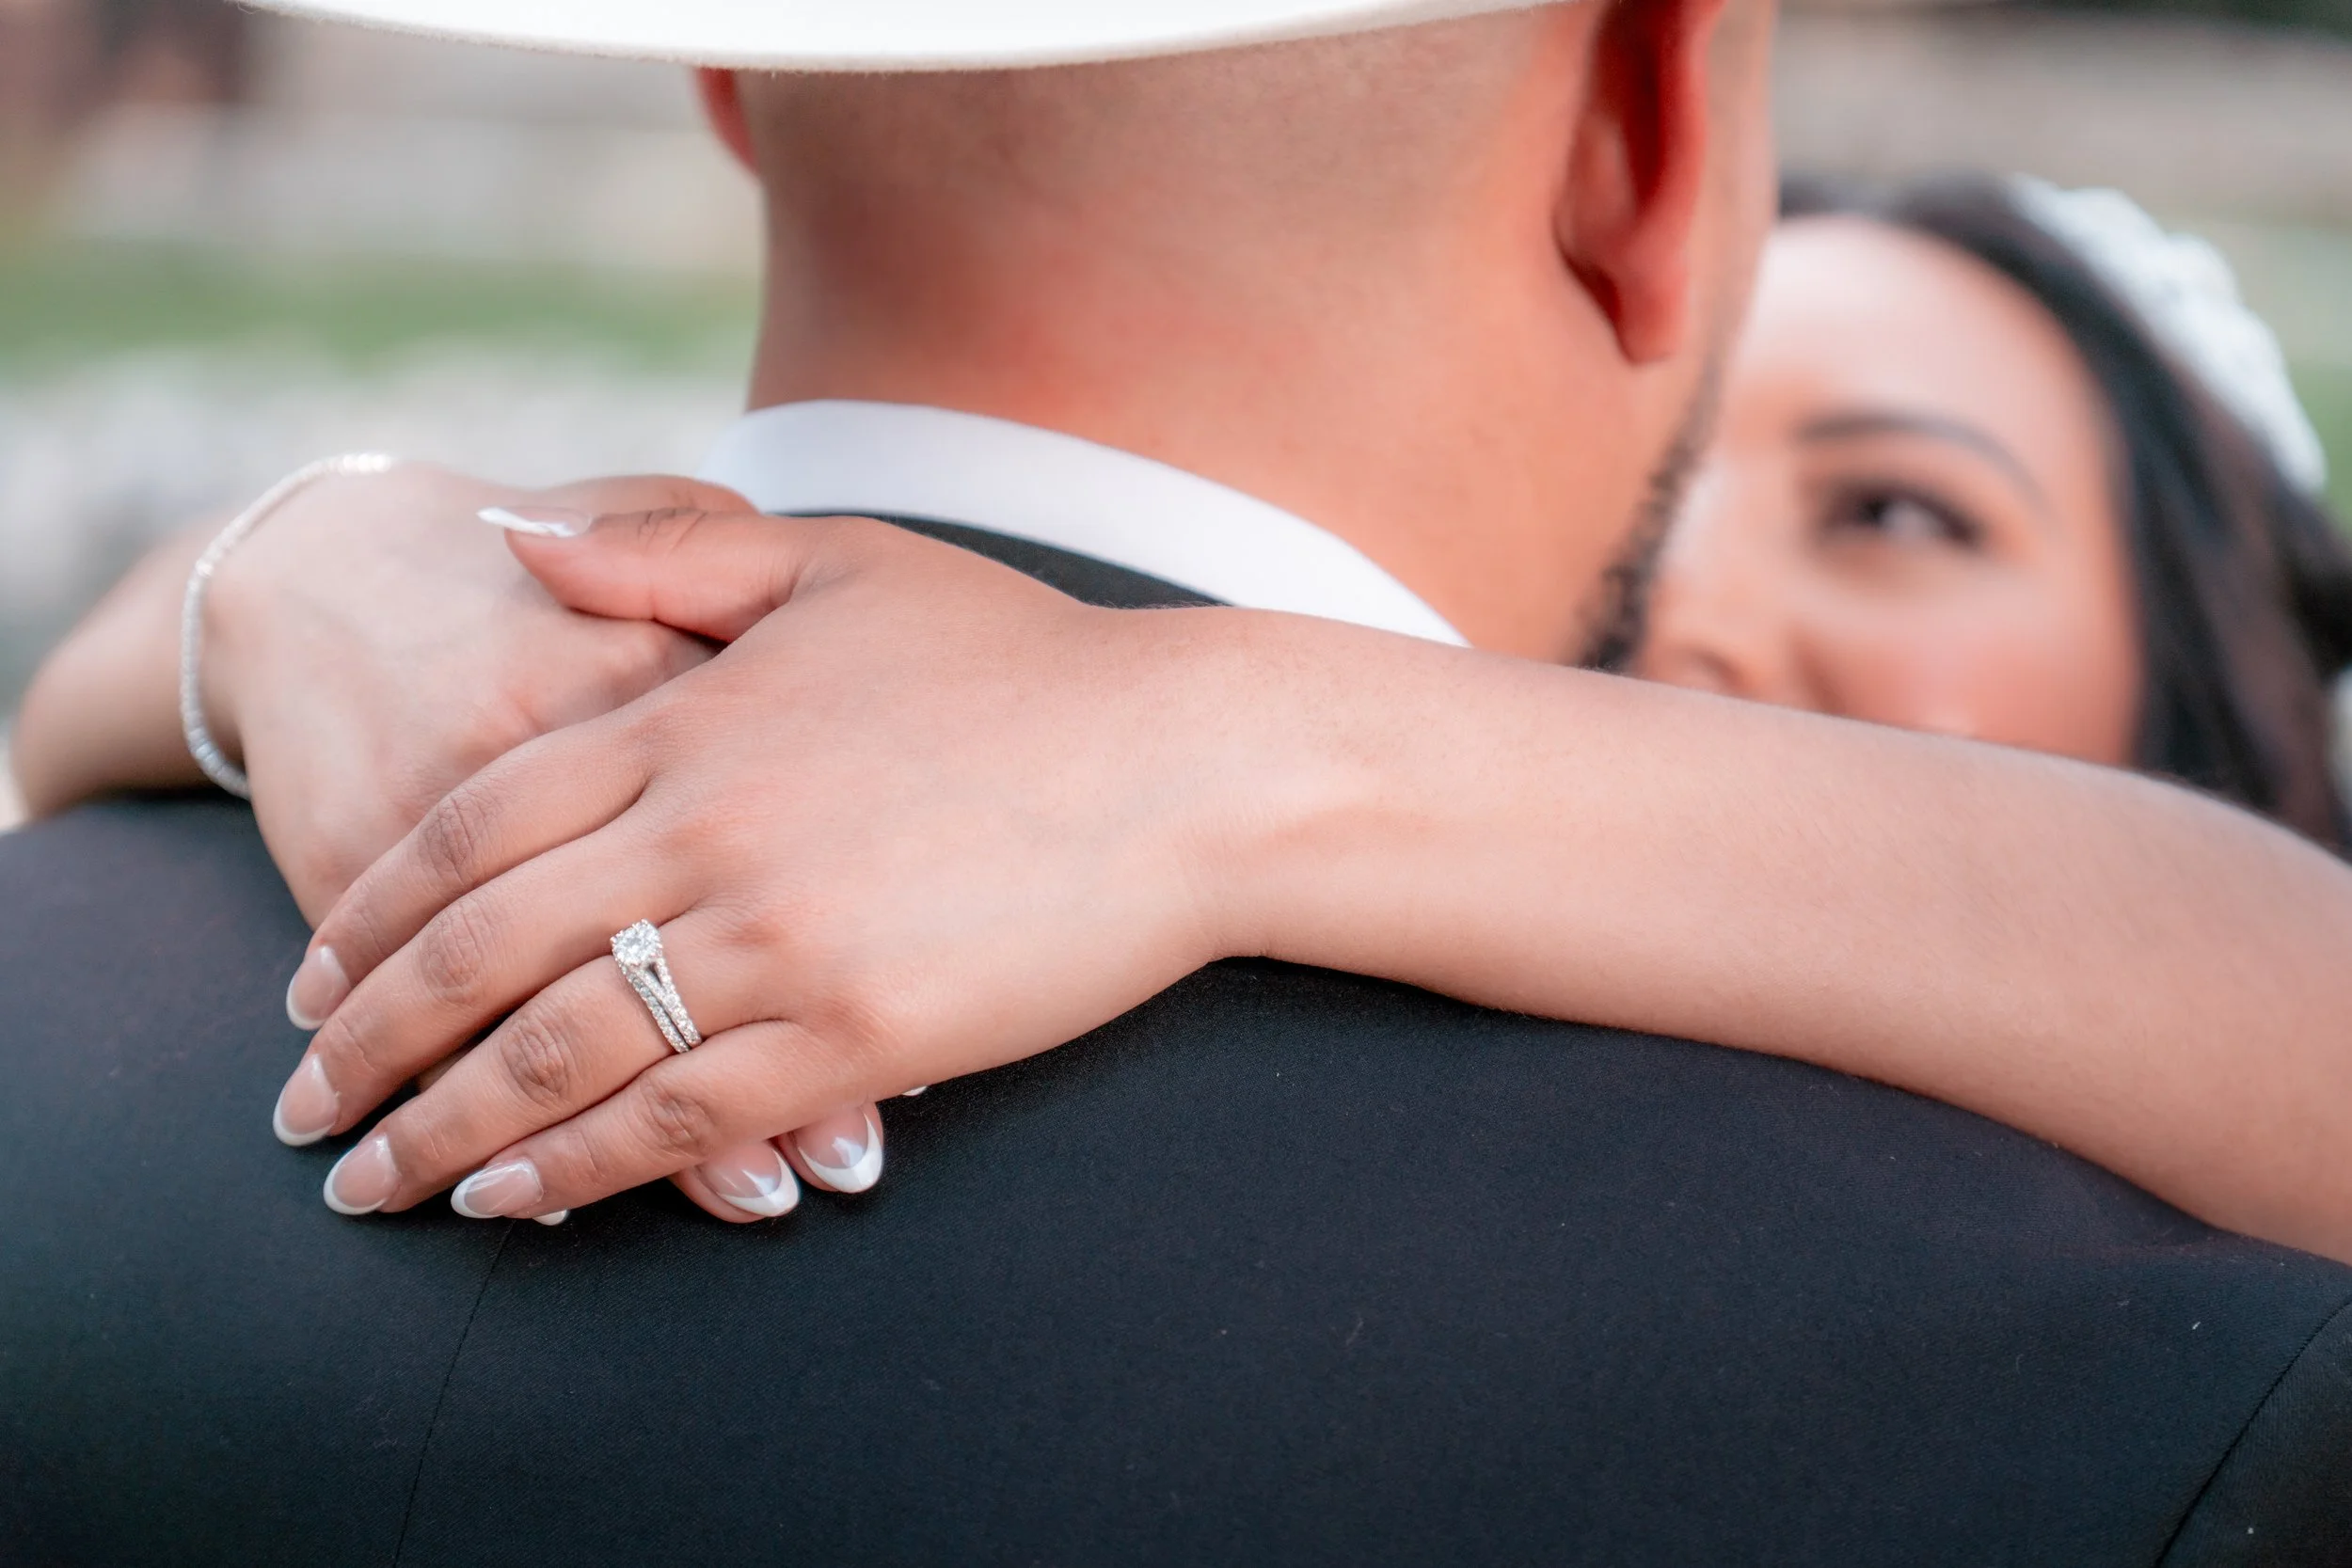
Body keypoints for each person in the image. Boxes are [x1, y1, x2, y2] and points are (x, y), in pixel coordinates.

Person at [6, 7, 2351, 1564]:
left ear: (728, 74)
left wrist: (274, 559)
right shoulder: (2100, 1400)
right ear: (1652, 135)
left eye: (1903, 509)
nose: (1727, 620)